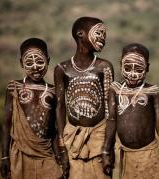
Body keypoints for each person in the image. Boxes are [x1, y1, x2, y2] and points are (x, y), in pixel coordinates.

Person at [54, 16, 114, 179]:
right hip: (72, 138)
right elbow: (60, 107)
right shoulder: (62, 69)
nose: (103, 38)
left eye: (104, 34)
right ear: (80, 34)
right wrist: (62, 146)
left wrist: (107, 148)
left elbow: (110, 110)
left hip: (99, 138)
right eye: (98, 33)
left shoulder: (104, 67)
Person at [0, 38, 62, 179]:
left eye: (40, 61)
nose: (35, 67)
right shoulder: (14, 87)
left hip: (46, 154)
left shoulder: (53, 91)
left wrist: (59, 155)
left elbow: (54, 129)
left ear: (48, 60)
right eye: (29, 62)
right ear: (21, 63)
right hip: (20, 153)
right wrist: (4, 157)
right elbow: (6, 125)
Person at [102, 43, 159, 179]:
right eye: (127, 68)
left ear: (147, 68)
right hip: (127, 154)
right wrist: (107, 151)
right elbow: (111, 121)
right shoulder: (115, 89)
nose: (132, 74)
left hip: (149, 153)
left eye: (138, 69)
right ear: (120, 65)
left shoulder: (153, 91)